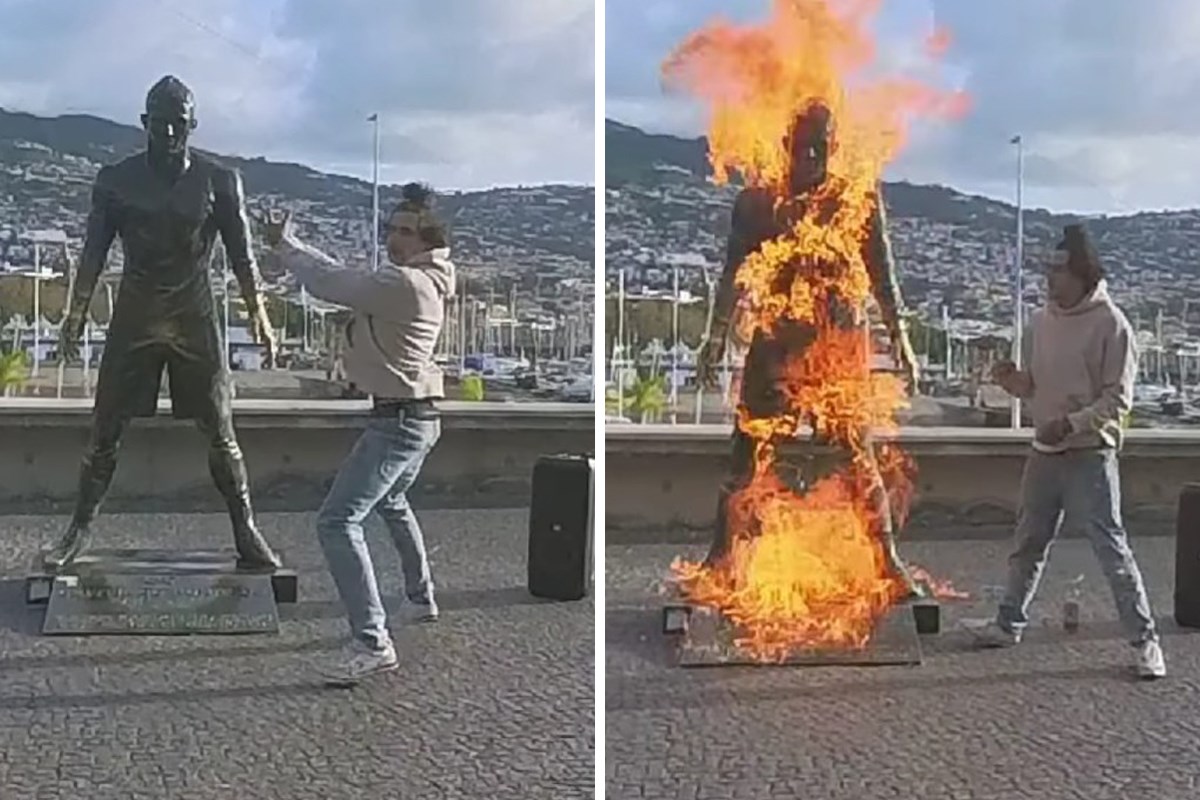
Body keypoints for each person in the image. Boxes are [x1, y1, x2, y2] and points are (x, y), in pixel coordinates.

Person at [48, 75, 281, 569]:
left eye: (179, 124)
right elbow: (92, 252)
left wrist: (258, 314)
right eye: (160, 123)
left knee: (221, 429)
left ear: (193, 125)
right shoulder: (115, 180)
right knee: (104, 430)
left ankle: (246, 530)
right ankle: (79, 530)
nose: (170, 133)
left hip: (194, 316)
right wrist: (75, 313)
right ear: (144, 124)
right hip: (135, 314)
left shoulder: (220, 181)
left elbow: (243, 256)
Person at [696, 102, 922, 595]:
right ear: (785, 149)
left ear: (834, 150)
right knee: (747, 451)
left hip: (837, 344)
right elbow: (733, 276)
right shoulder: (757, 204)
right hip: (776, 341)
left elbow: (881, 272)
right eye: (803, 148)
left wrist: (899, 335)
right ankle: (721, 561)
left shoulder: (855, 197)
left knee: (860, 457)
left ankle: (887, 561)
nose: (811, 158)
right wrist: (714, 336)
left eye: (821, 148)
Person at [264, 183, 455, 682]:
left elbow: (333, 283)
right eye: (390, 229)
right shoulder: (424, 279)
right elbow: (346, 280)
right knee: (391, 504)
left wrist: (286, 246)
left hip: (398, 422)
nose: (394, 238)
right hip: (417, 418)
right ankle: (421, 597)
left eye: (405, 231)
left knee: (337, 521)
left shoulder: (405, 284)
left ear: (428, 238)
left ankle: (372, 641)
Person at [971, 223, 1165, 680]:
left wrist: (1072, 424)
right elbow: (1033, 387)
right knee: (1028, 544)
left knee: (1111, 549)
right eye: (1046, 272)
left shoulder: (1112, 325)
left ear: (1083, 275)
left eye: (1057, 273)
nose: (1049, 281)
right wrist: (1011, 382)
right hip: (1044, 453)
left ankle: (1145, 642)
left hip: (1089, 455)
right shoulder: (1039, 322)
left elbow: (1117, 400)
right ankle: (1007, 623)